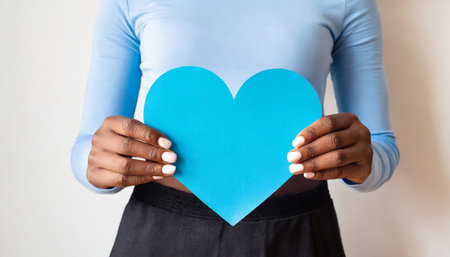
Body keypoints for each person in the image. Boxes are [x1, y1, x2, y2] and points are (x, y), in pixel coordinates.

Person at [70, 0, 400, 256]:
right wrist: (99, 164)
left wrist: (364, 160)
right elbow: (89, 144)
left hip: (298, 232)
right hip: (160, 229)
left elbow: (380, 143)